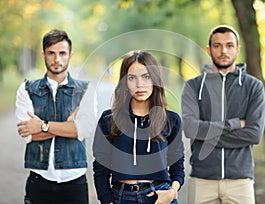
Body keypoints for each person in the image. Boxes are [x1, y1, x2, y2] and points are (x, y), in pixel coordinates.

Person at [181, 25, 265, 204]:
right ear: (209, 49)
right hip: (202, 180)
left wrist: (206, 134)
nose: (223, 51)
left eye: (229, 45)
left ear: (237, 49)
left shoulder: (253, 87)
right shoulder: (193, 86)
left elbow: (254, 134)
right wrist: (234, 124)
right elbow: (190, 129)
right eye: (217, 46)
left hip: (240, 181)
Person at [15, 29, 97, 204]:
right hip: (39, 180)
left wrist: (43, 126)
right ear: (43, 55)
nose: (57, 59)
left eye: (62, 53)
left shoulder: (86, 90)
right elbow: (28, 134)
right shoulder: (27, 89)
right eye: (51, 53)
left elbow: (83, 130)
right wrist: (67, 127)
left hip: (75, 182)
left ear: (70, 55)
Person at [92, 50, 185, 204]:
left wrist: (172, 192)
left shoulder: (171, 120)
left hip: (159, 196)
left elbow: (177, 166)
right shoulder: (109, 119)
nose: (139, 84)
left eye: (146, 77)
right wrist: (107, 200)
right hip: (121, 197)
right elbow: (100, 167)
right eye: (132, 78)